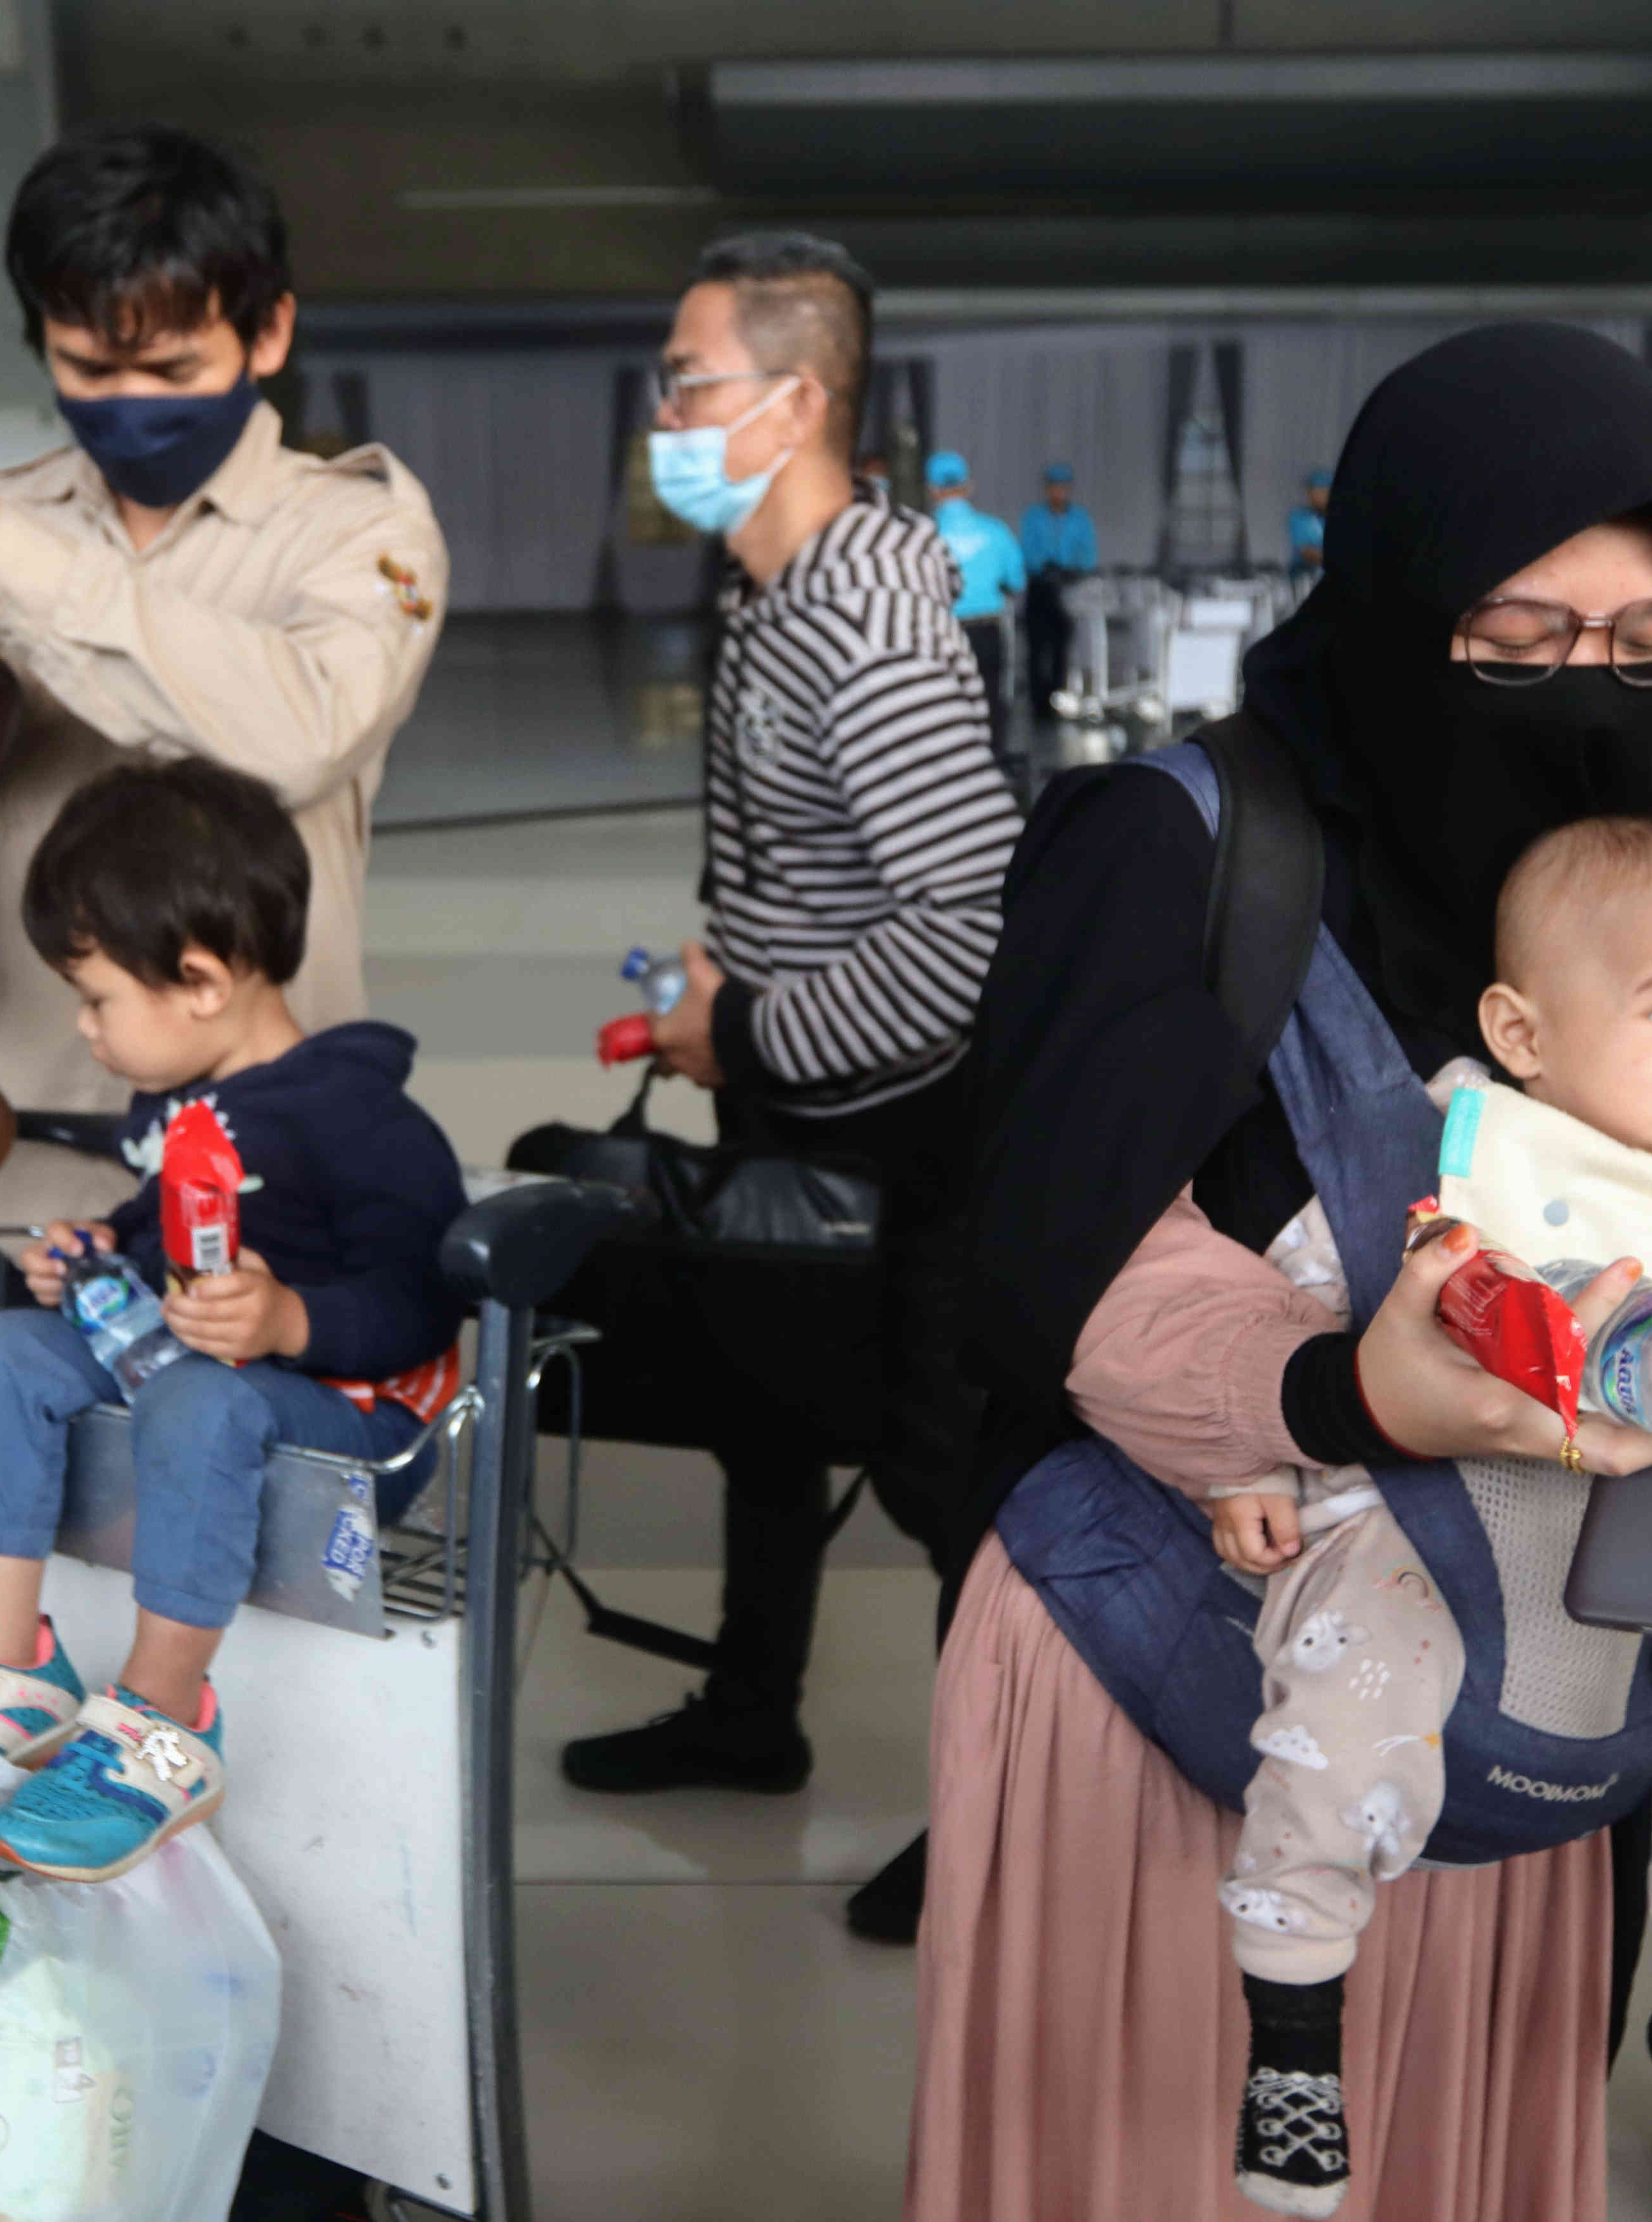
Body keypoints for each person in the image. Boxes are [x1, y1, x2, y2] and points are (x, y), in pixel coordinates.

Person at [913, 322, 1652, 2222]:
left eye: (1645, 643)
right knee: (1161, 2150)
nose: (1581, 696)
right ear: (1390, 592)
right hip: (1179, 1664)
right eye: (1517, 640)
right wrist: (1345, 1389)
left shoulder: (1641, 860)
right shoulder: (1179, 847)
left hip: (1530, 1691)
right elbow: (1047, 1260)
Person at [1203, 815, 1652, 2215]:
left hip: (1618, 1544)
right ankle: (1296, 2039)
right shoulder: (1449, 1158)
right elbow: (1286, 1318)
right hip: (1412, 1518)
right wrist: (1247, 1463)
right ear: (1522, 1030)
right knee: (1345, 1713)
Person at [0, 123, 447, 1232]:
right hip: (11, 1162)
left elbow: (304, 730)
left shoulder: (355, 533)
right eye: (88, 367)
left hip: (266, 1175)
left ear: (269, 334)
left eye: (171, 369)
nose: (131, 402)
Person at [560, 236, 1021, 1929]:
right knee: (764, 1405)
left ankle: (1005, 1823)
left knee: (941, 1476)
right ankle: (751, 1714)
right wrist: (726, 983)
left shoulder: (865, 623)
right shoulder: (771, 586)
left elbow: (970, 935)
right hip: (799, 1085)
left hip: (911, 1126)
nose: (663, 413)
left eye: (688, 383)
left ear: (795, 398)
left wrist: (736, 1031)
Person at [0, 755, 467, 1880]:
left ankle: (164, 1726)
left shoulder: (357, 1118)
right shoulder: (184, 1104)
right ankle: (6, 1676)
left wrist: (292, 1319)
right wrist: (107, 1253)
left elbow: (427, 1296)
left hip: (352, 1424)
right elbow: (166, 1226)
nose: (88, 1029)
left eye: (99, 998)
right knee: (6, 1350)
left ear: (204, 980)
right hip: (204, 1386)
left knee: (200, 1397)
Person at [925, 449, 1026, 746]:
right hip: (987, 632)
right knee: (992, 704)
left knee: (945, 710)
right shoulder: (996, 531)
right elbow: (1016, 581)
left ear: (931, 489)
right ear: (969, 486)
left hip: (943, 634)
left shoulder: (923, 533)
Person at [1018, 462, 1097, 722]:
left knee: (1061, 647)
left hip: (1068, 590)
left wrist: (1073, 570)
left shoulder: (1080, 518)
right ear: (1047, 489)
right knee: (1037, 647)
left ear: (1069, 489)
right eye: (1054, 487)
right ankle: (1037, 703)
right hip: (1040, 588)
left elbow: (1088, 554)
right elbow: (1027, 553)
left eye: (1063, 487)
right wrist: (1044, 565)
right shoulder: (1034, 517)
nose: (1058, 492)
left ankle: (1057, 697)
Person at [1287, 468, 1330, 580]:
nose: (1318, 496)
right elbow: (1307, 552)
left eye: (1323, 491)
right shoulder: (1300, 517)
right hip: (1306, 578)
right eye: (1314, 491)